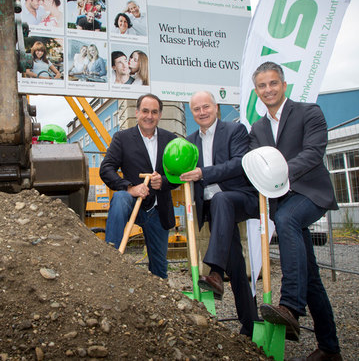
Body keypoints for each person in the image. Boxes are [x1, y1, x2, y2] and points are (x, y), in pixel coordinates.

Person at [249, 61, 342, 360]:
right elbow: (254, 166)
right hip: (283, 201)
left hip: (311, 193)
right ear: (256, 91)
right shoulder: (258, 129)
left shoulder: (308, 112)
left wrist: (280, 173)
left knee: (287, 218)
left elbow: (314, 153)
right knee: (310, 276)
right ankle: (330, 348)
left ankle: (290, 305)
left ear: (283, 85)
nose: (268, 90)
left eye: (273, 83)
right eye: (262, 86)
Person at [178, 91, 259, 337]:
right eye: (196, 109)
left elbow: (239, 163)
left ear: (216, 107)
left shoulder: (235, 131)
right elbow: (181, 172)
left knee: (222, 198)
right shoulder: (189, 141)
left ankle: (214, 271)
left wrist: (204, 173)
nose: (202, 112)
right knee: (235, 263)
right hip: (213, 208)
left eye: (206, 107)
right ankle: (250, 323)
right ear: (191, 112)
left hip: (238, 198)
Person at [100, 94, 178, 279]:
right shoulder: (122, 138)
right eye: (145, 111)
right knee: (120, 197)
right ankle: (111, 259)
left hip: (159, 209)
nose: (149, 116)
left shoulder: (171, 139)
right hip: (132, 203)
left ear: (159, 115)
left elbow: (179, 176)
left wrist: (164, 182)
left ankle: (159, 300)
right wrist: (129, 188)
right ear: (137, 113)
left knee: (159, 270)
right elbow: (106, 169)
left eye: (154, 112)